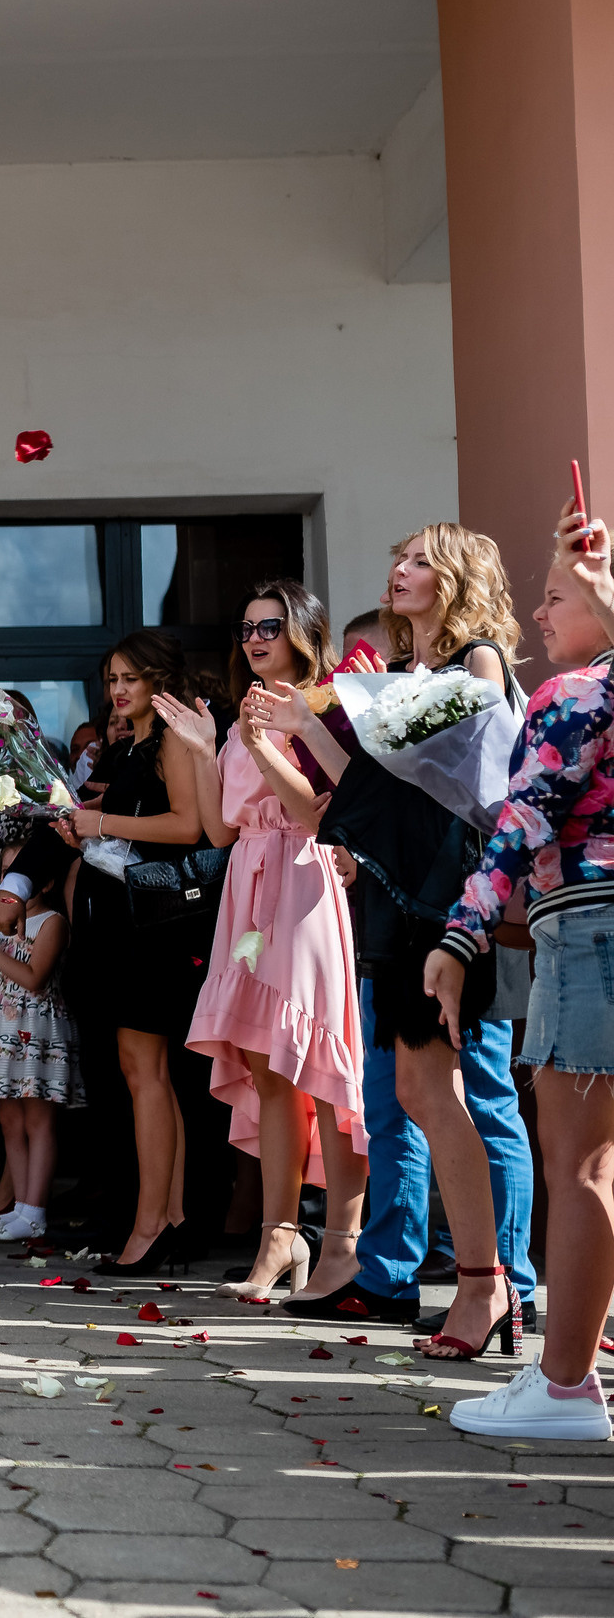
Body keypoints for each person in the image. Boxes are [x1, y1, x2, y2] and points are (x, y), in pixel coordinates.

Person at [316, 524, 535, 1339]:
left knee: (450, 1096)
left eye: (417, 561)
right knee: (414, 1092)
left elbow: (471, 777)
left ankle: (488, 1284)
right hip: (396, 899)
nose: (398, 571)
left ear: (455, 577)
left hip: (446, 902)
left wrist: (357, 703)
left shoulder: (477, 659)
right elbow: (379, 779)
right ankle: (487, 1284)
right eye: (397, 560)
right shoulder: (405, 678)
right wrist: (324, 719)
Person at [432, 504, 614, 1435]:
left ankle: (568, 1386)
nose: (538, 617)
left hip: (587, 933)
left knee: (579, 1167)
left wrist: (459, 934)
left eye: (553, 597)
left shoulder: (575, 697)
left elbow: (522, 820)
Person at [172, 581, 367, 1303]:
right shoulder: (239, 718)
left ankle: (340, 1239)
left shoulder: (324, 705)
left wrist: (263, 739)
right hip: (247, 890)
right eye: (245, 625)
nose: (254, 638)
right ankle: (279, 1239)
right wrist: (203, 747)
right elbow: (221, 830)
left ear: (303, 634)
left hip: (304, 883)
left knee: (314, 1058)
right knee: (267, 1069)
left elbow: (316, 816)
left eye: (270, 626)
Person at [57, 630, 213, 1271]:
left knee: (144, 1071)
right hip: (130, 922)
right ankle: (169, 1218)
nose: (118, 690)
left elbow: (189, 826)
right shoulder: (136, 741)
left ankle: (151, 1226)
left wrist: (101, 823)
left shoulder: (172, 736)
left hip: (155, 926)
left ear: (158, 679)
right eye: (111, 680)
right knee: (151, 1076)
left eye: (130, 678)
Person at [0, 857, 78, 1240]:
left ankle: (35, 1210)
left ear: (42, 885)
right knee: (10, 1119)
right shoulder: (0, 926)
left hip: (35, 1028)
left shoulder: (52, 923)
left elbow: (34, 979)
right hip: (3, 1024)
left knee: (38, 1119)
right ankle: (20, 1208)